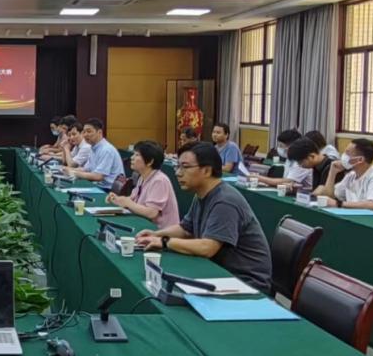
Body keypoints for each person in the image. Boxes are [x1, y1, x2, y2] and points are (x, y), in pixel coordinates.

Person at [136, 143, 272, 294]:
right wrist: (156, 234)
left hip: (246, 282)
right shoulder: (201, 195)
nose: (178, 173)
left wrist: (165, 241)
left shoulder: (225, 201)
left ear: (207, 170)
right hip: (221, 272)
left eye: (185, 167)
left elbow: (207, 248)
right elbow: (185, 229)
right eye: (177, 166)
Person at [107, 140, 180, 230]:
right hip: (145, 227)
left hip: (161, 232)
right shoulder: (142, 177)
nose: (132, 158)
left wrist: (128, 203)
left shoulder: (159, 180)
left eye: (137, 155)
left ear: (150, 161)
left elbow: (152, 213)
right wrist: (117, 199)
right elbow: (133, 200)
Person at [315, 138, 373, 214]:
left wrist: (339, 204)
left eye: (347, 153)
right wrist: (332, 172)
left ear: (360, 159)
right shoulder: (351, 176)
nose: (343, 156)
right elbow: (329, 196)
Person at [65, 118, 125, 187]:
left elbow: (98, 176)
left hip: (107, 189)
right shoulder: (93, 147)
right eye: (84, 132)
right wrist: (68, 169)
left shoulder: (106, 150)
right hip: (98, 184)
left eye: (89, 131)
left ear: (99, 132)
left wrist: (74, 173)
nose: (85, 135)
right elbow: (87, 169)